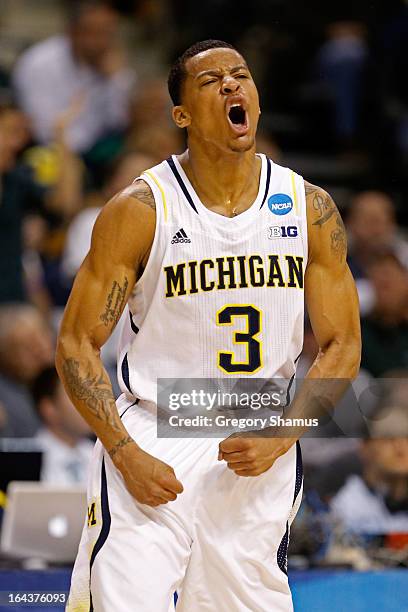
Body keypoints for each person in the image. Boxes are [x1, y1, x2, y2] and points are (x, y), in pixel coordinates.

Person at [56, 40, 361, 611]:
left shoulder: (309, 209)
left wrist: (283, 434)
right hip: (155, 429)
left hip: (256, 439)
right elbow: (75, 343)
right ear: (182, 116)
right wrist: (123, 452)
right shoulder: (140, 210)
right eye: (210, 80)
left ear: (257, 101)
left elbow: (343, 345)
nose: (230, 85)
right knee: (127, 599)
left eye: (240, 75)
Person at [12, 0, 134, 153]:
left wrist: (116, 81)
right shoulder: (40, 63)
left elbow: (118, 122)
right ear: (72, 32)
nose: (101, 42)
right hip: (46, 149)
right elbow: (44, 131)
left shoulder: (109, 64)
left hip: (93, 150)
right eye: (93, 32)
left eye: (107, 33)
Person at [31, 367, 94, 485]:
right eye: (77, 395)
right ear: (49, 409)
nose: (89, 403)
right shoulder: (30, 463)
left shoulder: (97, 455)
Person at [0, 304, 54, 437]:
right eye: (28, 346)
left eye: (43, 336)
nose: (40, 349)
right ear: (6, 355)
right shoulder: (7, 401)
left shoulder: (68, 380)